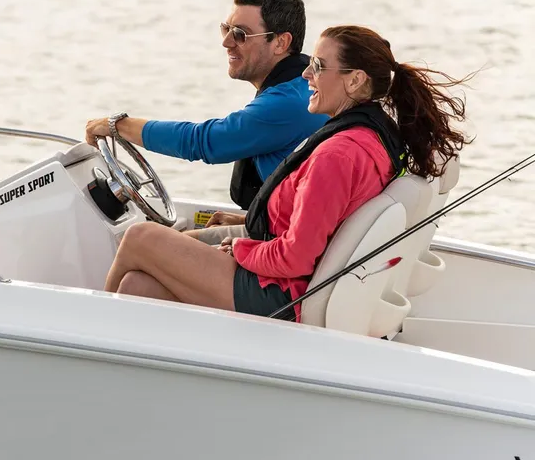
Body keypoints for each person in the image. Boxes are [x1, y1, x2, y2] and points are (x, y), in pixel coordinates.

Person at [102, 25, 472, 322]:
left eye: (319, 66)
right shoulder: (369, 137)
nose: (307, 74)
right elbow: (323, 220)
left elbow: (298, 257)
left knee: (140, 238)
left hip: (279, 293)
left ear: (355, 80)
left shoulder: (339, 153)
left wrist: (245, 247)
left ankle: (91, 333)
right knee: (138, 286)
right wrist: (250, 225)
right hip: (283, 278)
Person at [84, 0, 328, 243]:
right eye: (226, 28)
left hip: (288, 245)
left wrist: (117, 125)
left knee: (138, 245)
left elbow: (203, 142)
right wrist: (251, 218)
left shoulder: (288, 103)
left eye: (240, 34)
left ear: (280, 43)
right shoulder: (298, 87)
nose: (226, 42)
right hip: (281, 227)